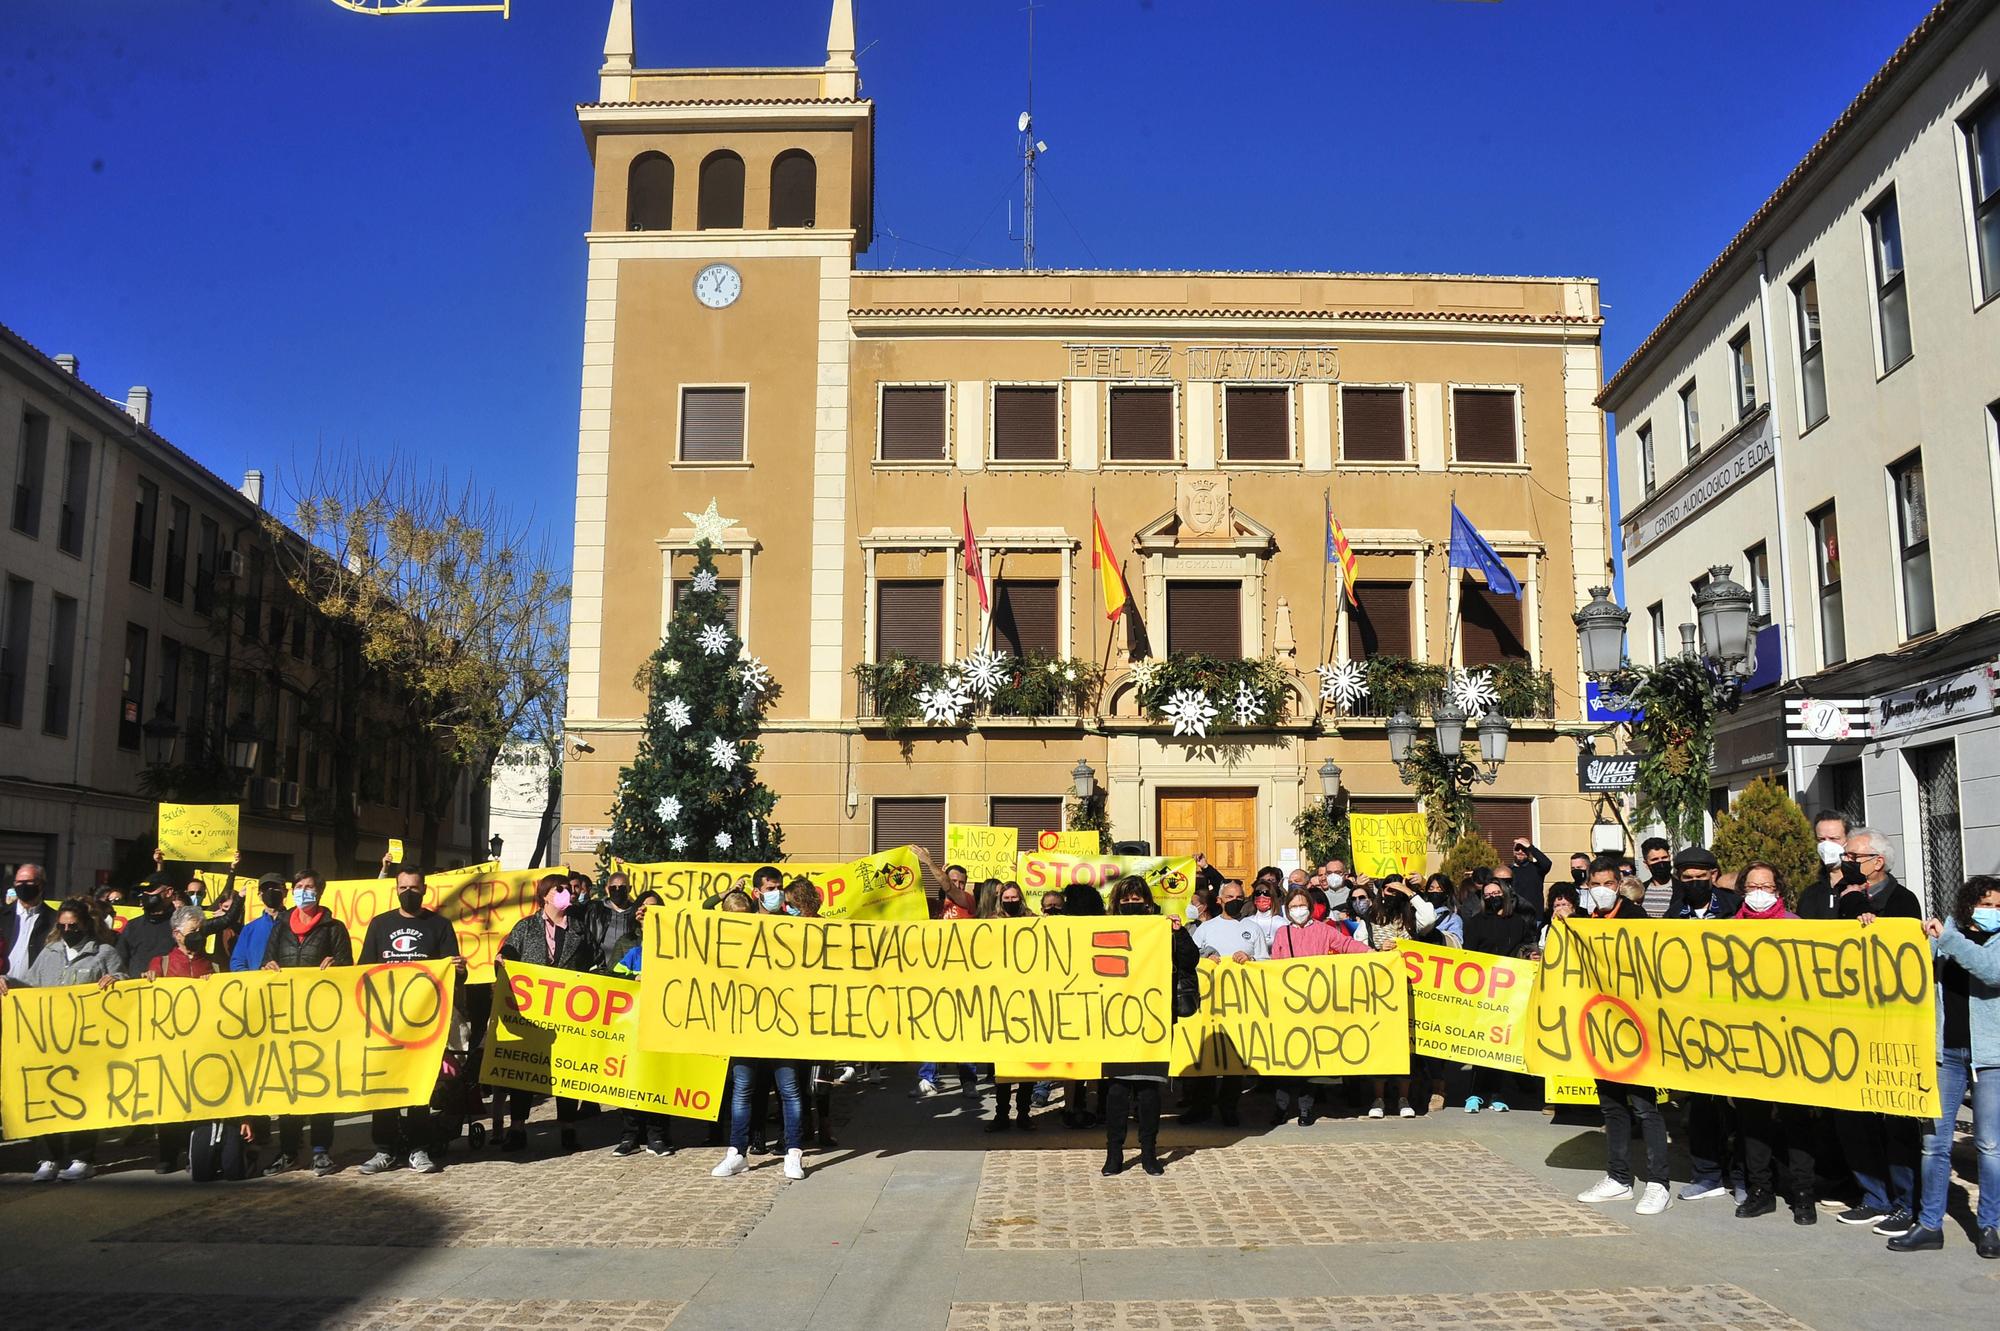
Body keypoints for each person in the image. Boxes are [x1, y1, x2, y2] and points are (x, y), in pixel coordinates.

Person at [1899, 875, 2000, 1256]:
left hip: (1992, 1057)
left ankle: (1990, 1226)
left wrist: (1948, 940)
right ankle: (1929, 1224)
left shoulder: (1961, 938)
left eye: (1998, 907)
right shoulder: (1947, 930)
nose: (1991, 913)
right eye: (1986, 904)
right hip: (1947, 1053)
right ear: (1969, 904)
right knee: (1934, 1144)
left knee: (1990, 1146)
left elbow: (1991, 972)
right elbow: (1911, 967)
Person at [1829, 828, 1923, 1236]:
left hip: (1889, 1024)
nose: (1845, 859)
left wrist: (1872, 921)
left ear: (1876, 863)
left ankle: (1906, 1200)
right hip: (1847, 1021)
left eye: (1853, 855)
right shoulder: (1836, 897)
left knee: (1896, 1119)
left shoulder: (1902, 901)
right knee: (1852, 1115)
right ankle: (1873, 1195)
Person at [1574, 858, 1673, 1216]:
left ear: (1619, 884)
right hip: (1602, 1026)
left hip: (1636, 1027)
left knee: (1645, 1107)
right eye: (1595, 883)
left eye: (1608, 883)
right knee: (1612, 1106)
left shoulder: (1636, 918)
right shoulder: (1584, 924)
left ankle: (1658, 1184)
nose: (1601, 889)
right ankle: (1618, 1178)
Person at [357, 868, 465, 1175]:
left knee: (419, 1085)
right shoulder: (380, 924)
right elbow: (365, 969)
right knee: (385, 1085)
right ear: (395, 889)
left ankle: (419, 1147)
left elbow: (454, 973)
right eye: (403, 887)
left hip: (424, 1021)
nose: (409, 892)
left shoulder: (440, 925)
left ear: (425, 890)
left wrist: (458, 969)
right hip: (386, 1020)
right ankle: (385, 1149)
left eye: (414, 887)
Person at [10, 899, 123, 1181]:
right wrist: (8, 983)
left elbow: (125, 982)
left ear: (86, 924)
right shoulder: (49, 952)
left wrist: (116, 980)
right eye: (62, 926)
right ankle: (48, 1158)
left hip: (87, 1040)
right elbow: (29, 987)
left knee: (84, 1097)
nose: (67, 930)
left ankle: (82, 1158)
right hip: (49, 1040)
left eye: (73, 925)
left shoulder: (104, 953)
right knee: (47, 1096)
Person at [1728, 862, 1815, 1224]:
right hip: (1748, 1038)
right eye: (1752, 886)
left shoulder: (1796, 927)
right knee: (1753, 1118)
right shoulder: (1729, 930)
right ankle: (1761, 1190)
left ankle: (1804, 1194)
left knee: (1797, 1117)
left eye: (1766, 886)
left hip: (1791, 1037)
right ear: (1743, 891)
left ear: (1778, 891)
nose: (1759, 893)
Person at [256, 867, 351, 1177]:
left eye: (310, 886)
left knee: (322, 1085)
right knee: (289, 1088)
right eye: (299, 886)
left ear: (319, 892)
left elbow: (349, 969)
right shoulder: (280, 927)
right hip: (286, 1019)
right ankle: (288, 1150)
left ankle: (321, 1151)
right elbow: (265, 965)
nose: (303, 891)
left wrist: (336, 966)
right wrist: (267, 967)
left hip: (322, 1021)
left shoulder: (333, 927)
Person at [1102, 877, 1197, 1176]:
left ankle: (1148, 1153)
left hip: (1152, 1019)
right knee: (1116, 1091)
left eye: (1136, 900)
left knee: (1147, 1091)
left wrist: (1178, 933)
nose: (1131, 905)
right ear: (1118, 904)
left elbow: (1189, 961)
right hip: (1114, 1020)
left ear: (1147, 902)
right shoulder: (1103, 928)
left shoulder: (1162, 929)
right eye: (1126, 901)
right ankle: (1114, 1153)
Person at [498, 872, 597, 1152]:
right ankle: (517, 1127)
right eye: (560, 889)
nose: (567, 892)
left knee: (568, 1069)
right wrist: (502, 960)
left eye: (569, 888)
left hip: (568, 1011)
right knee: (525, 1068)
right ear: (545, 895)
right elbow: (510, 953)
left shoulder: (578, 928)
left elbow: (594, 961)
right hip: (532, 1011)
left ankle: (567, 1126)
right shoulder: (526, 927)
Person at [1268, 886, 1370, 1125]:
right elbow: (1274, 965)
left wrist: (1371, 953)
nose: (1298, 910)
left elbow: (1346, 946)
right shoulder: (1283, 933)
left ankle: (1305, 1109)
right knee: (1285, 1061)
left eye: (1302, 905)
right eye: (1293, 907)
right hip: (1290, 1004)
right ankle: (1281, 1107)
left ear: (1311, 908)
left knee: (1311, 1062)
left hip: (1317, 1004)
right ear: (1287, 910)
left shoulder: (1324, 930)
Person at [609, 890, 676, 1157]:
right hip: (632, 1022)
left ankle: (658, 1136)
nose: (648, 912)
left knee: (658, 1079)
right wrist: (631, 982)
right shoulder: (627, 944)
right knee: (632, 1078)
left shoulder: (674, 945)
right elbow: (611, 978)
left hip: (662, 1022)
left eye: (655, 908)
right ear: (637, 914)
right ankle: (630, 1136)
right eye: (644, 908)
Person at [3, 863, 57, 983]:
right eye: (19, 882)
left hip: (33, 991)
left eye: (29, 882)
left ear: (41, 884)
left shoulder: (54, 920)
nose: (23, 886)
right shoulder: (2, 916)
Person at [1796, 810, 1852, 920]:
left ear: (1848, 840)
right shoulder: (1809, 894)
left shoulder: (1861, 888)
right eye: (1821, 839)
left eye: (1834, 839)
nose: (1827, 845)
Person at [231, 875, 289, 971]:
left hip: (289, 983)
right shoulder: (249, 928)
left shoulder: (295, 924)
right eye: (265, 889)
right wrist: (255, 980)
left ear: (285, 892)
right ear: (259, 895)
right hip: (257, 984)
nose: (270, 891)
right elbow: (237, 962)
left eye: (275, 888)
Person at [1508, 838, 1552, 915]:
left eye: (1524, 849)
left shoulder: (1536, 868)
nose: (1520, 852)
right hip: (1514, 916)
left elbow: (1547, 863)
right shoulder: (1508, 871)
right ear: (1513, 851)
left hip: (1535, 915)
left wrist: (1530, 847)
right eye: (1517, 849)